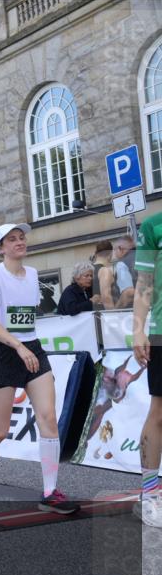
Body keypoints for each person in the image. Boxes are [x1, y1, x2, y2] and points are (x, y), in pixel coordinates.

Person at [0, 223, 79, 514]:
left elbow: (23, 318)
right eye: (11, 239)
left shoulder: (34, 275)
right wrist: (17, 346)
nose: (19, 242)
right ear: (1, 248)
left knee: (48, 418)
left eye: (21, 237)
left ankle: (50, 492)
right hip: (2, 352)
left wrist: (25, 345)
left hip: (31, 348)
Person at [132, 213, 162, 526]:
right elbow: (144, 284)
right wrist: (138, 330)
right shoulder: (154, 225)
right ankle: (150, 494)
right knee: (159, 413)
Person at [92, 240, 120, 310]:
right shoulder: (104, 271)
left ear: (96, 253)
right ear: (111, 253)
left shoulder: (88, 270)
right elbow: (106, 298)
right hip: (104, 316)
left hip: (92, 315)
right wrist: (113, 316)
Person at [113, 237, 136, 309]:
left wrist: (114, 311)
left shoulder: (121, 264)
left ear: (120, 249)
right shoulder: (147, 256)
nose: (114, 253)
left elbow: (128, 292)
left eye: (114, 250)